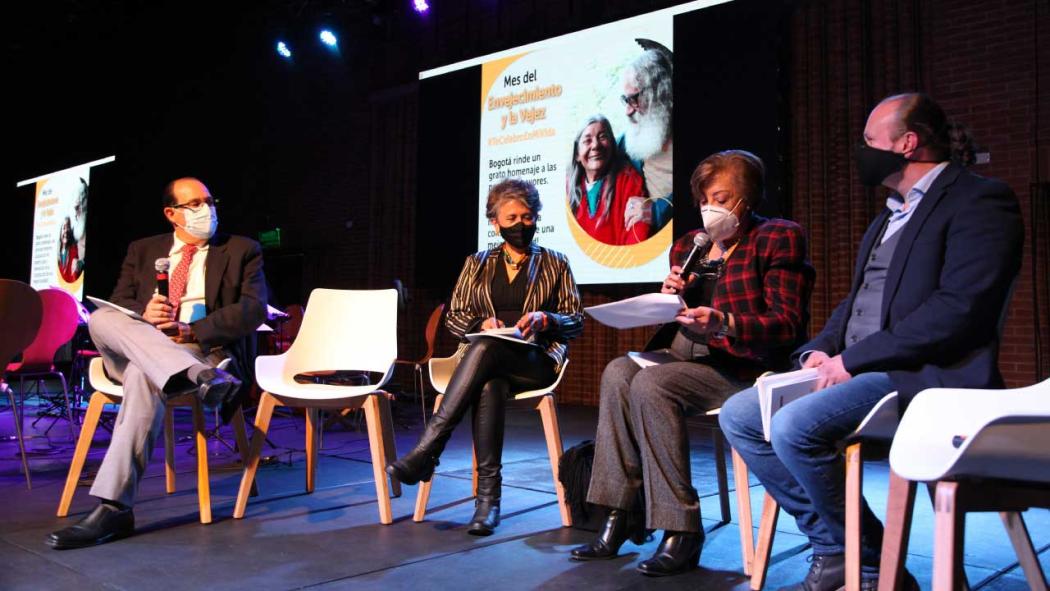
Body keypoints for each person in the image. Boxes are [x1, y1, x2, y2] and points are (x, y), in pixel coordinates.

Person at [719, 93, 1024, 591]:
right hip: (862, 368)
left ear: (907, 143)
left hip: (923, 375)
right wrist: (818, 350)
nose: (861, 150)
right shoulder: (889, 215)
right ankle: (849, 549)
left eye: (869, 141)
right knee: (742, 415)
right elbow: (858, 300)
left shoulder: (979, 200)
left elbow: (958, 312)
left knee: (795, 424)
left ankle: (862, 559)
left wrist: (851, 360)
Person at [571, 150, 814, 576]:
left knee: (652, 385)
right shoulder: (688, 246)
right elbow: (677, 315)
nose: (709, 209)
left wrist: (725, 321)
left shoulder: (776, 238)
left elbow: (786, 324)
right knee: (617, 371)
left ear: (746, 199)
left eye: (720, 198)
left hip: (742, 368)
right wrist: (669, 296)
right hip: (683, 355)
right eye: (704, 199)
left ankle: (681, 528)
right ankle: (620, 511)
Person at [47, 177, 267, 549]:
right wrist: (142, 313)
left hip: (195, 348)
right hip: (141, 347)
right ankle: (199, 378)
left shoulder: (242, 249)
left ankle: (115, 508)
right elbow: (120, 300)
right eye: (195, 204)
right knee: (101, 318)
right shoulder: (142, 249)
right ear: (171, 214)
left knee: (144, 376)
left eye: (210, 201)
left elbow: (253, 308)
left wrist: (192, 329)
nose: (207, 210)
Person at [387, 178, 583, 536]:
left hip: (535, 361)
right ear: (495, 222)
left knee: (486, 348)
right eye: (511, 218)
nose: (520, 225)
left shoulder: (556, 263)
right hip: (488, 365)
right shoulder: (476, 263)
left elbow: (575, 320)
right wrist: (481, 322)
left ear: (536, 217)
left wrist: (546, 319)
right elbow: (454, 317)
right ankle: (487, 503)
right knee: (489, 381)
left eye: (527, 217)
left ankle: (428, 449)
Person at [619, 39, 674, 235]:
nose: (627, 110)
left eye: (633, 99)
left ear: (660, 93)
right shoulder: (629, 140)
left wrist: (657, 211)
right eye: (625, 99)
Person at [567, 115, 650, 245]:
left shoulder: (629, 181)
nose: (595, 145)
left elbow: (637, 234)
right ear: (577, 154)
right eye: (587, 140)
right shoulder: (567, 187)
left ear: (612, 145)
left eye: (602, 137)